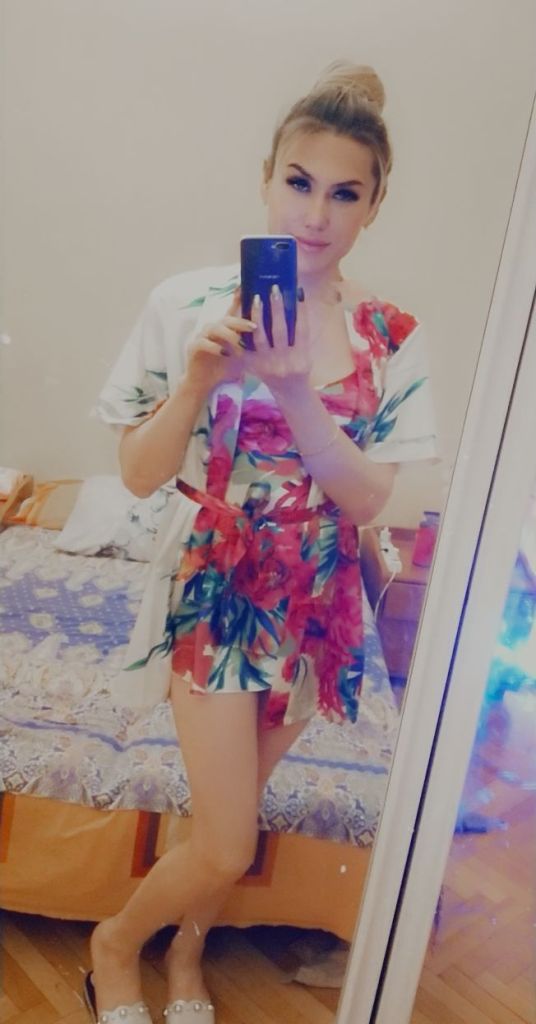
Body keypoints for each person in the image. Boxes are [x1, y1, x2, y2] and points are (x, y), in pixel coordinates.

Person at [87, 61, 437, 1024]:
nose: (315, 214)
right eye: (299, 181)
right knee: (230, 842)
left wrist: (290, 390)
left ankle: (188, 954)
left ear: (374, 205)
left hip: (318, 599)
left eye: (345, 193)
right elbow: (140, 475)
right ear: (266, 177)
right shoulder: (184, 304)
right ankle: (114, 945)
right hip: (218, 588)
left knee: (226, 814)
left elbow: (367, 499)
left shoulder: (389, 336)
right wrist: (198, 382)